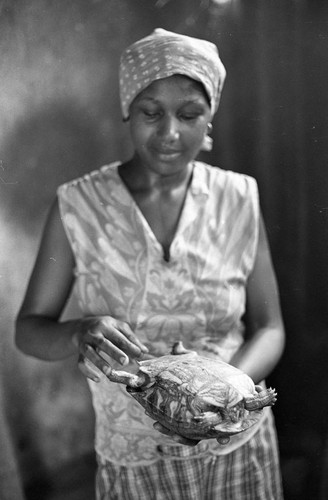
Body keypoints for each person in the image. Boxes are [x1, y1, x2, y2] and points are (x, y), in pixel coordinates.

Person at [15, 28, 285, 499]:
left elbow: (270, 326)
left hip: (238, 447)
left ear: (209, 121)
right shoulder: (78, 206)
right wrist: (79, 332)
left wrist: (223, 395)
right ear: (127, 112)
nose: (169, 133)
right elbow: (29, 330)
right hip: (136, 459)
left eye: (189, 114)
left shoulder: (238, 198)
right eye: (150, 112)